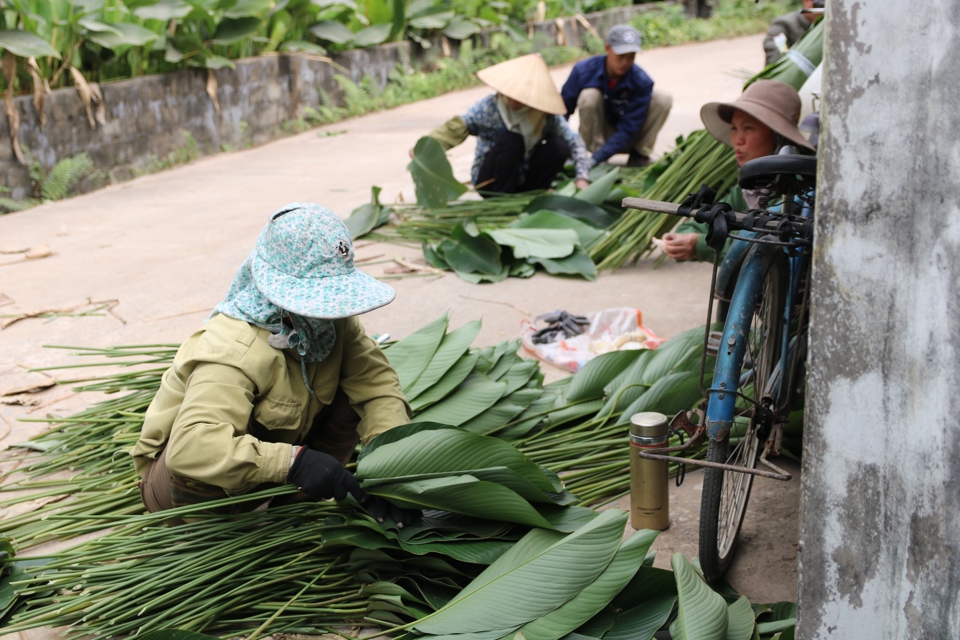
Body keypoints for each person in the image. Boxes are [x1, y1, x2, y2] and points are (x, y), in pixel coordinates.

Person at [132, 203, 416, 526]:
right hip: (181, 484)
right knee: (200, 458)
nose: (332, 311)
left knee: (351, 397)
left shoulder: (331, 323)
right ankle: (215, 535)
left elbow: (377, 386)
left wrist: (392, 469)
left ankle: (295, 510)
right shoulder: (233, 348)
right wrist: (293, 463)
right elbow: (191, 446)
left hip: (268, 458)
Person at [661, 80, 815, 262]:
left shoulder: (796, 190)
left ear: (777, 136)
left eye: (748, 128)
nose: (737, 140)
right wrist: (683, 237)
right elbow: (712, 217)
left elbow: (764, 246)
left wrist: (702, 246)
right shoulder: (750, 188)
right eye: (734, 128)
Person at [421, 53, 591, 196]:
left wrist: (582, 177)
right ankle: (503, 200)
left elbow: (574, 141)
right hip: (491, 182)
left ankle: (533, 195)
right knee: (512, 140)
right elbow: (459, 126)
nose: (515, 99)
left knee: (558, 146)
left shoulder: (544, 114)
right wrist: (426, 147)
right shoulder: (489, 107)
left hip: (525, 178)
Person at [560, 24, 673, 168]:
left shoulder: (642, 81)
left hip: (628, 137)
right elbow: (562, 111)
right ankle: (598, 156)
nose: (625, 62)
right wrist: (564, 149)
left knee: (663, 98)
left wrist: (595, 159)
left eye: (631, 57)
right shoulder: (583, 71)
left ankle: (639, 155)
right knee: (589, 96)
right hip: (596, 137)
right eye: (621, 56)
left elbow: (628, 128)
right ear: (607, 48)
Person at [763, 0, 825, 65]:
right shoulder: (784, 24)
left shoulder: (828, 26)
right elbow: (773, 52)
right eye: (819, 4)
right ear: (806, 1)